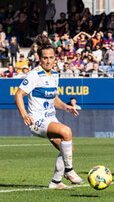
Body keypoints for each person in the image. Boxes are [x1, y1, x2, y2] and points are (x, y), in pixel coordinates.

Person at [14, 42, 84, 189]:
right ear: (40, 58)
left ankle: (56, 182)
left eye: (51, 57)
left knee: (67, 150)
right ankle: (69, 171)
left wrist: (66, 107)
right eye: (45, 58)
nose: (48, 60)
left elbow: (54, 98)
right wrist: (24, 115)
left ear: (55, 58)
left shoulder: (55, 74)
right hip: (37, 121)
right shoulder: (34, 74)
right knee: (67, 131)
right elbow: (18, 94)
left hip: (51, 119)